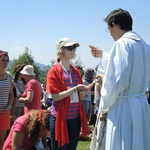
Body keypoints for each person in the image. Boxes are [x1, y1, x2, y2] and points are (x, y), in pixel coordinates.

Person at [90, 8, 150, 150]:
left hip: (124, 106)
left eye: (109, 29)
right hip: (141, 103)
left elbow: (119, 80)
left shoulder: (121, 44)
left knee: (122, 144)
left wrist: (105, 99)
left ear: (114, 25)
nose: (110, 33)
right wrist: (103, 54)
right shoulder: (146, 45)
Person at [46, 37, 89, 150]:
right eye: (69, 47)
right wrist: (74, 89)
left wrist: (83, 91)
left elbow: (80, 96)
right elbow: (55, 97)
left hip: (75, 118)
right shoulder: (53, 71)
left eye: (74, 47)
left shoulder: (75, 71)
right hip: (60, 119)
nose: (73, 50)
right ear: (60, 50)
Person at [0, 51, 14, 149]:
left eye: (7, 60)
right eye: (3, 60)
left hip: (5, 112)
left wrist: (9, 107)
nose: (5, 63)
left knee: (2, 141)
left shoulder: (9, 76)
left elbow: (12, 95)